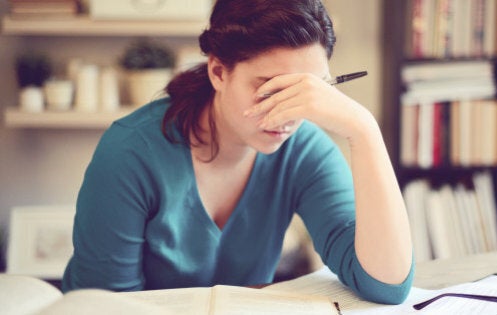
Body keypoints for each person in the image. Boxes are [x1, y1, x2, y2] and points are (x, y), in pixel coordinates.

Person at [62, 0, 414, 304]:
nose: (288, 114)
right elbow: (106, 306)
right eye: (269, 89)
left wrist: (364, 130)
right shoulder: (129, 153)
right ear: (218, 71)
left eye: (307, 91)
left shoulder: (305, 151)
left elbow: (385, 286)